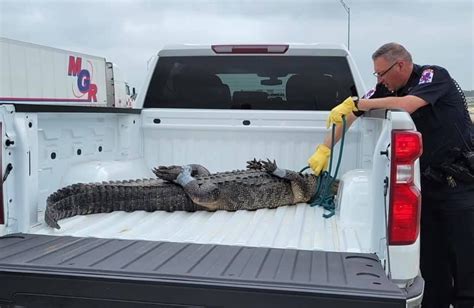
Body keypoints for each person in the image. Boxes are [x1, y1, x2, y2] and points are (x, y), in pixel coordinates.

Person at [308, 42, 474, 308]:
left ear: (401, 65)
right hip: (429, 186)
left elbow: (407, 105)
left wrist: (360, 103)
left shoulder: (432, 76)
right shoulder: (388, 87)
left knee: (465, 262)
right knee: (432, 262)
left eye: (381, 73)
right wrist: (324, 149)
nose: (379, 80)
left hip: (460, 187)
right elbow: (353, 111)